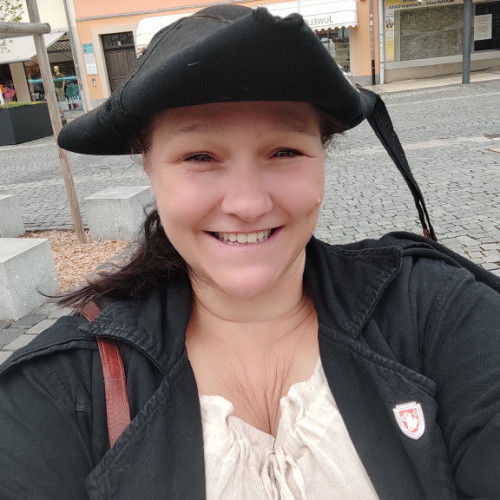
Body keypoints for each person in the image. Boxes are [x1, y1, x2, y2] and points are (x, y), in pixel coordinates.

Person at [1, 5, 499, 499]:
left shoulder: (435, 310)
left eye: (284, 151)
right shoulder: (62, 389)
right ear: (148, 165)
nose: (248, 205)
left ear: (322, 156)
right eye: (200, 156)